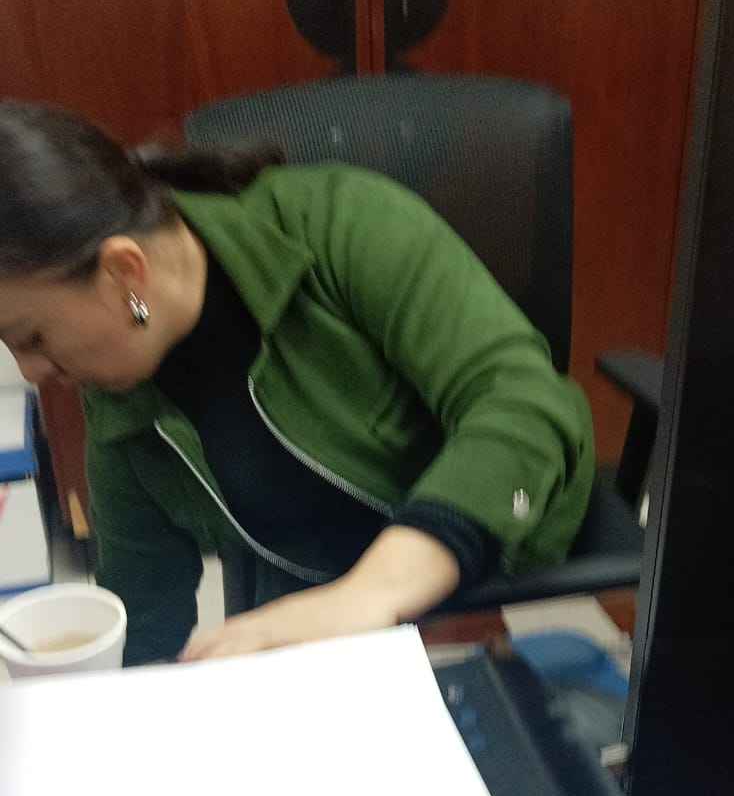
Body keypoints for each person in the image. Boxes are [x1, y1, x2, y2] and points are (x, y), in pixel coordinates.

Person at [0, 101, 595, 667]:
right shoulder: (118, 391)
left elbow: (523, 400)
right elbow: (143, 615)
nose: (31, 372)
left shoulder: (342, 222)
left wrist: (369, 593)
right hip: (311, 594)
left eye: (33, 337)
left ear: (122, 271)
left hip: (486, 552)